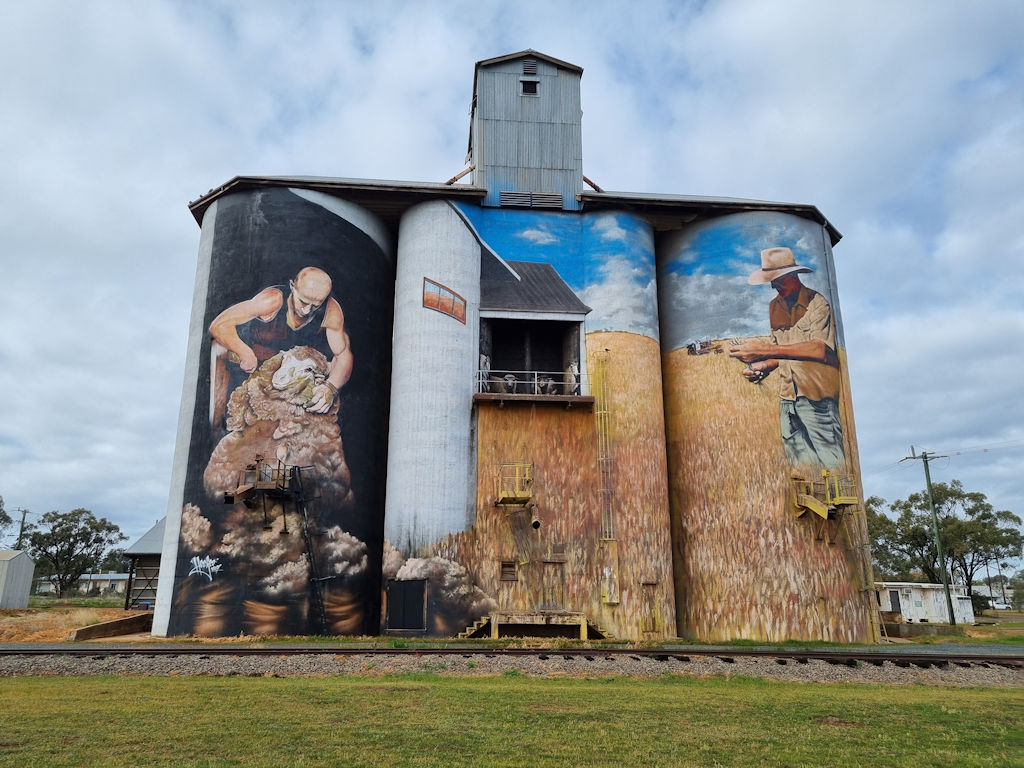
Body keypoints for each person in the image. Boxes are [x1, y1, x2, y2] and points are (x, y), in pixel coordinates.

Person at [728, 247, 845, 468]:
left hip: (816, 396)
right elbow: (780, 350)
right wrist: (763, 366)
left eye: (777, 281)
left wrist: (763, 350)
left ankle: (840, 504)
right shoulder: (775, 306)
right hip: (788, 397)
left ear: (792, 276)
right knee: (800, 464)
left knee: (831, 460)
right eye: (771, 282)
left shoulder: (817, 304)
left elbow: (819, 349)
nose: (774, 286)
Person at [210, 266, 353, 415]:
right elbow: (219, 325)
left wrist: (330, 387)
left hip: (285, 377)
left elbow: (343, 355)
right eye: (303, 302)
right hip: (246, 367)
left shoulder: (331, 311)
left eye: (315, 305)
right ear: (292, 287)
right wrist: (244, 351)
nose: (306, 311)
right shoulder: (272, 300)